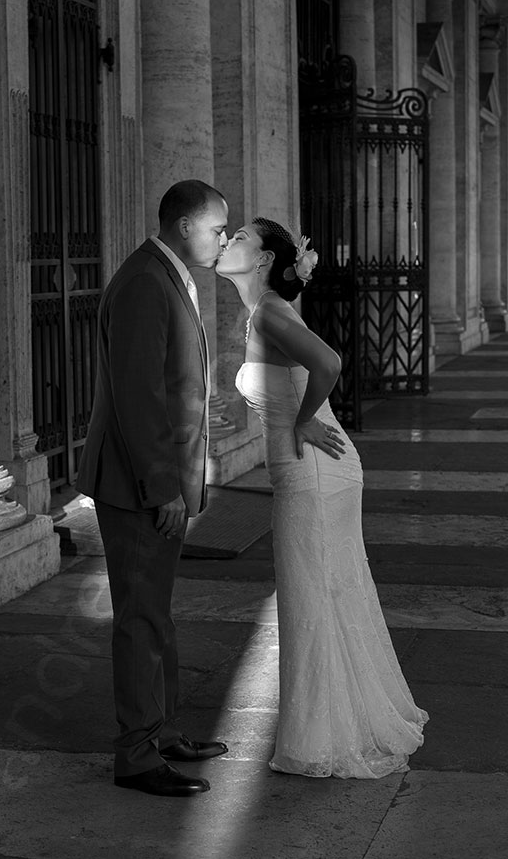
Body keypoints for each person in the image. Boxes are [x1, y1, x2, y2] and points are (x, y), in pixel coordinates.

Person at [215, 217, 428, 778]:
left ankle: (319, 741)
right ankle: (339, 724)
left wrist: (304, 420)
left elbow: (329, 363)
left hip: (312, 471)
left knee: (310, 598)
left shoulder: (268, 311)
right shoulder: (264, 312)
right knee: (326, 593)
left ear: (262, 261)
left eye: (238, 238)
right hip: (314, 470)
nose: (227, 242)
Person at [77, 180, 230, 796]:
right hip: (138, 483)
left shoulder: (166, 274)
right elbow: (140, 396)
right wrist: (163, 487)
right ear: (186, 225)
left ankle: (162, 732)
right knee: (140, 619)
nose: (224, 239)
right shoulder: (145, 281)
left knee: (156, 615)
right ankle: (137, 755)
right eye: (218, 228)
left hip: (155, 478)